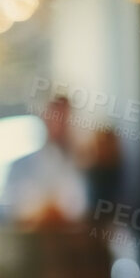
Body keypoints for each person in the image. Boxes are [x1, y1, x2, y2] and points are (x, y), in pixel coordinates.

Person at [5, 95, 89, 226]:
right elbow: (17, 210)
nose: (61, 126)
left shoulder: (82, 163)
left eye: (65, 119)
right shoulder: (23, 166)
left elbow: (79, 208)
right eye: (56, 118)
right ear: (46, 118)